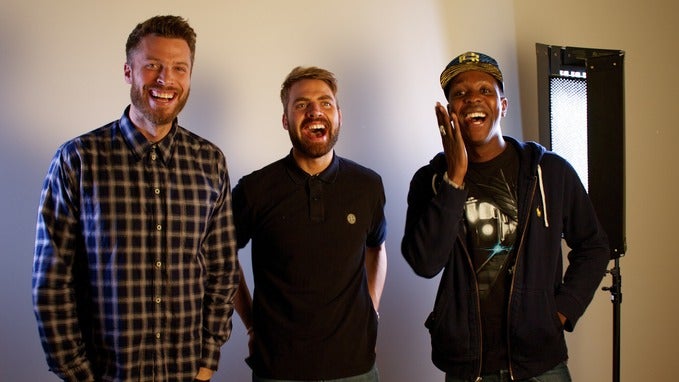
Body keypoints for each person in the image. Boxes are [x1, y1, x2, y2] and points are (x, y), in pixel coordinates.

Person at [32, 15, 239, 382]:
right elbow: (51, 280)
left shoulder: (210, 161)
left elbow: (223, 270)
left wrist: (207, 362)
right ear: (128, 71)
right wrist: (78, 372)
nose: (166, 79)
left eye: (179, 68)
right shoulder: (78, 159)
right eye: (153, 66)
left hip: (187, 374)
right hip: (106, 373)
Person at [401, 51, 610, 381]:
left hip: (540, 365)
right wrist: (454, 179)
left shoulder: (549, 171)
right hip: (468, 368)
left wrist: (560, 311)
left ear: (503, 105)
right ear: (449, 112)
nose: (473, 100)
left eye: (485, 90)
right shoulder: (429, 181)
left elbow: (594, 246)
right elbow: (425, 263)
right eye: (460, 93)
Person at [232, 66, 387, 381]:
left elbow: (376, 248)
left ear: (339, 115)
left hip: (356, 368)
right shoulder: (254, 190)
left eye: (325, 102)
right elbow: (219, 257)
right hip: (278, 369)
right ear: (285, 120)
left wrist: (370, 307)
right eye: (301, 104)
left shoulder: (367, 185)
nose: (316, 110)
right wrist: (251, 323)